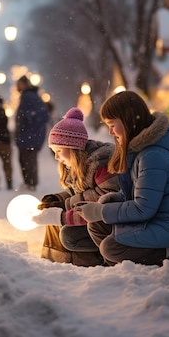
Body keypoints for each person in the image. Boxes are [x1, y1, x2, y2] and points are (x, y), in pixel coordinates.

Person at [74, 91, 169, 274]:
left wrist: (101, 211)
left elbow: (143, 208)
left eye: (112, 124)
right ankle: (126, 270)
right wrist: (108, 202)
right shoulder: (138, 151)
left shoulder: (152, 156)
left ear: (128, 121)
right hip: (157, 216)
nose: (110, 132)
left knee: (111, 247)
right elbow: (137, 193)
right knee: (97, 225)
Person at [30, 108, 119, 267]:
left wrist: (63, 214)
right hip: (96, 218)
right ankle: (59, 260)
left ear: (72, 147)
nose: (56, 157)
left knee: (68, 234)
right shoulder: (77, 166)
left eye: (58, 151)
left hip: (109, 221)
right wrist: (59, 199)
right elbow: (77, 190)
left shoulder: (101, 164)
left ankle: (100, 258)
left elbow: (103, 197)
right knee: (56, 221)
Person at [14, 75, 49, 191]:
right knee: (28, 159)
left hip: (29, 135)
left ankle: (30, 183)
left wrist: (26, 122)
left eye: (19, 84)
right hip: (31, 135)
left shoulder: (28, 96)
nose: (17, 87)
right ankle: (30, 183)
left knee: (27, 159)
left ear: (24, 84)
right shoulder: (31, 96)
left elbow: (35, 115)